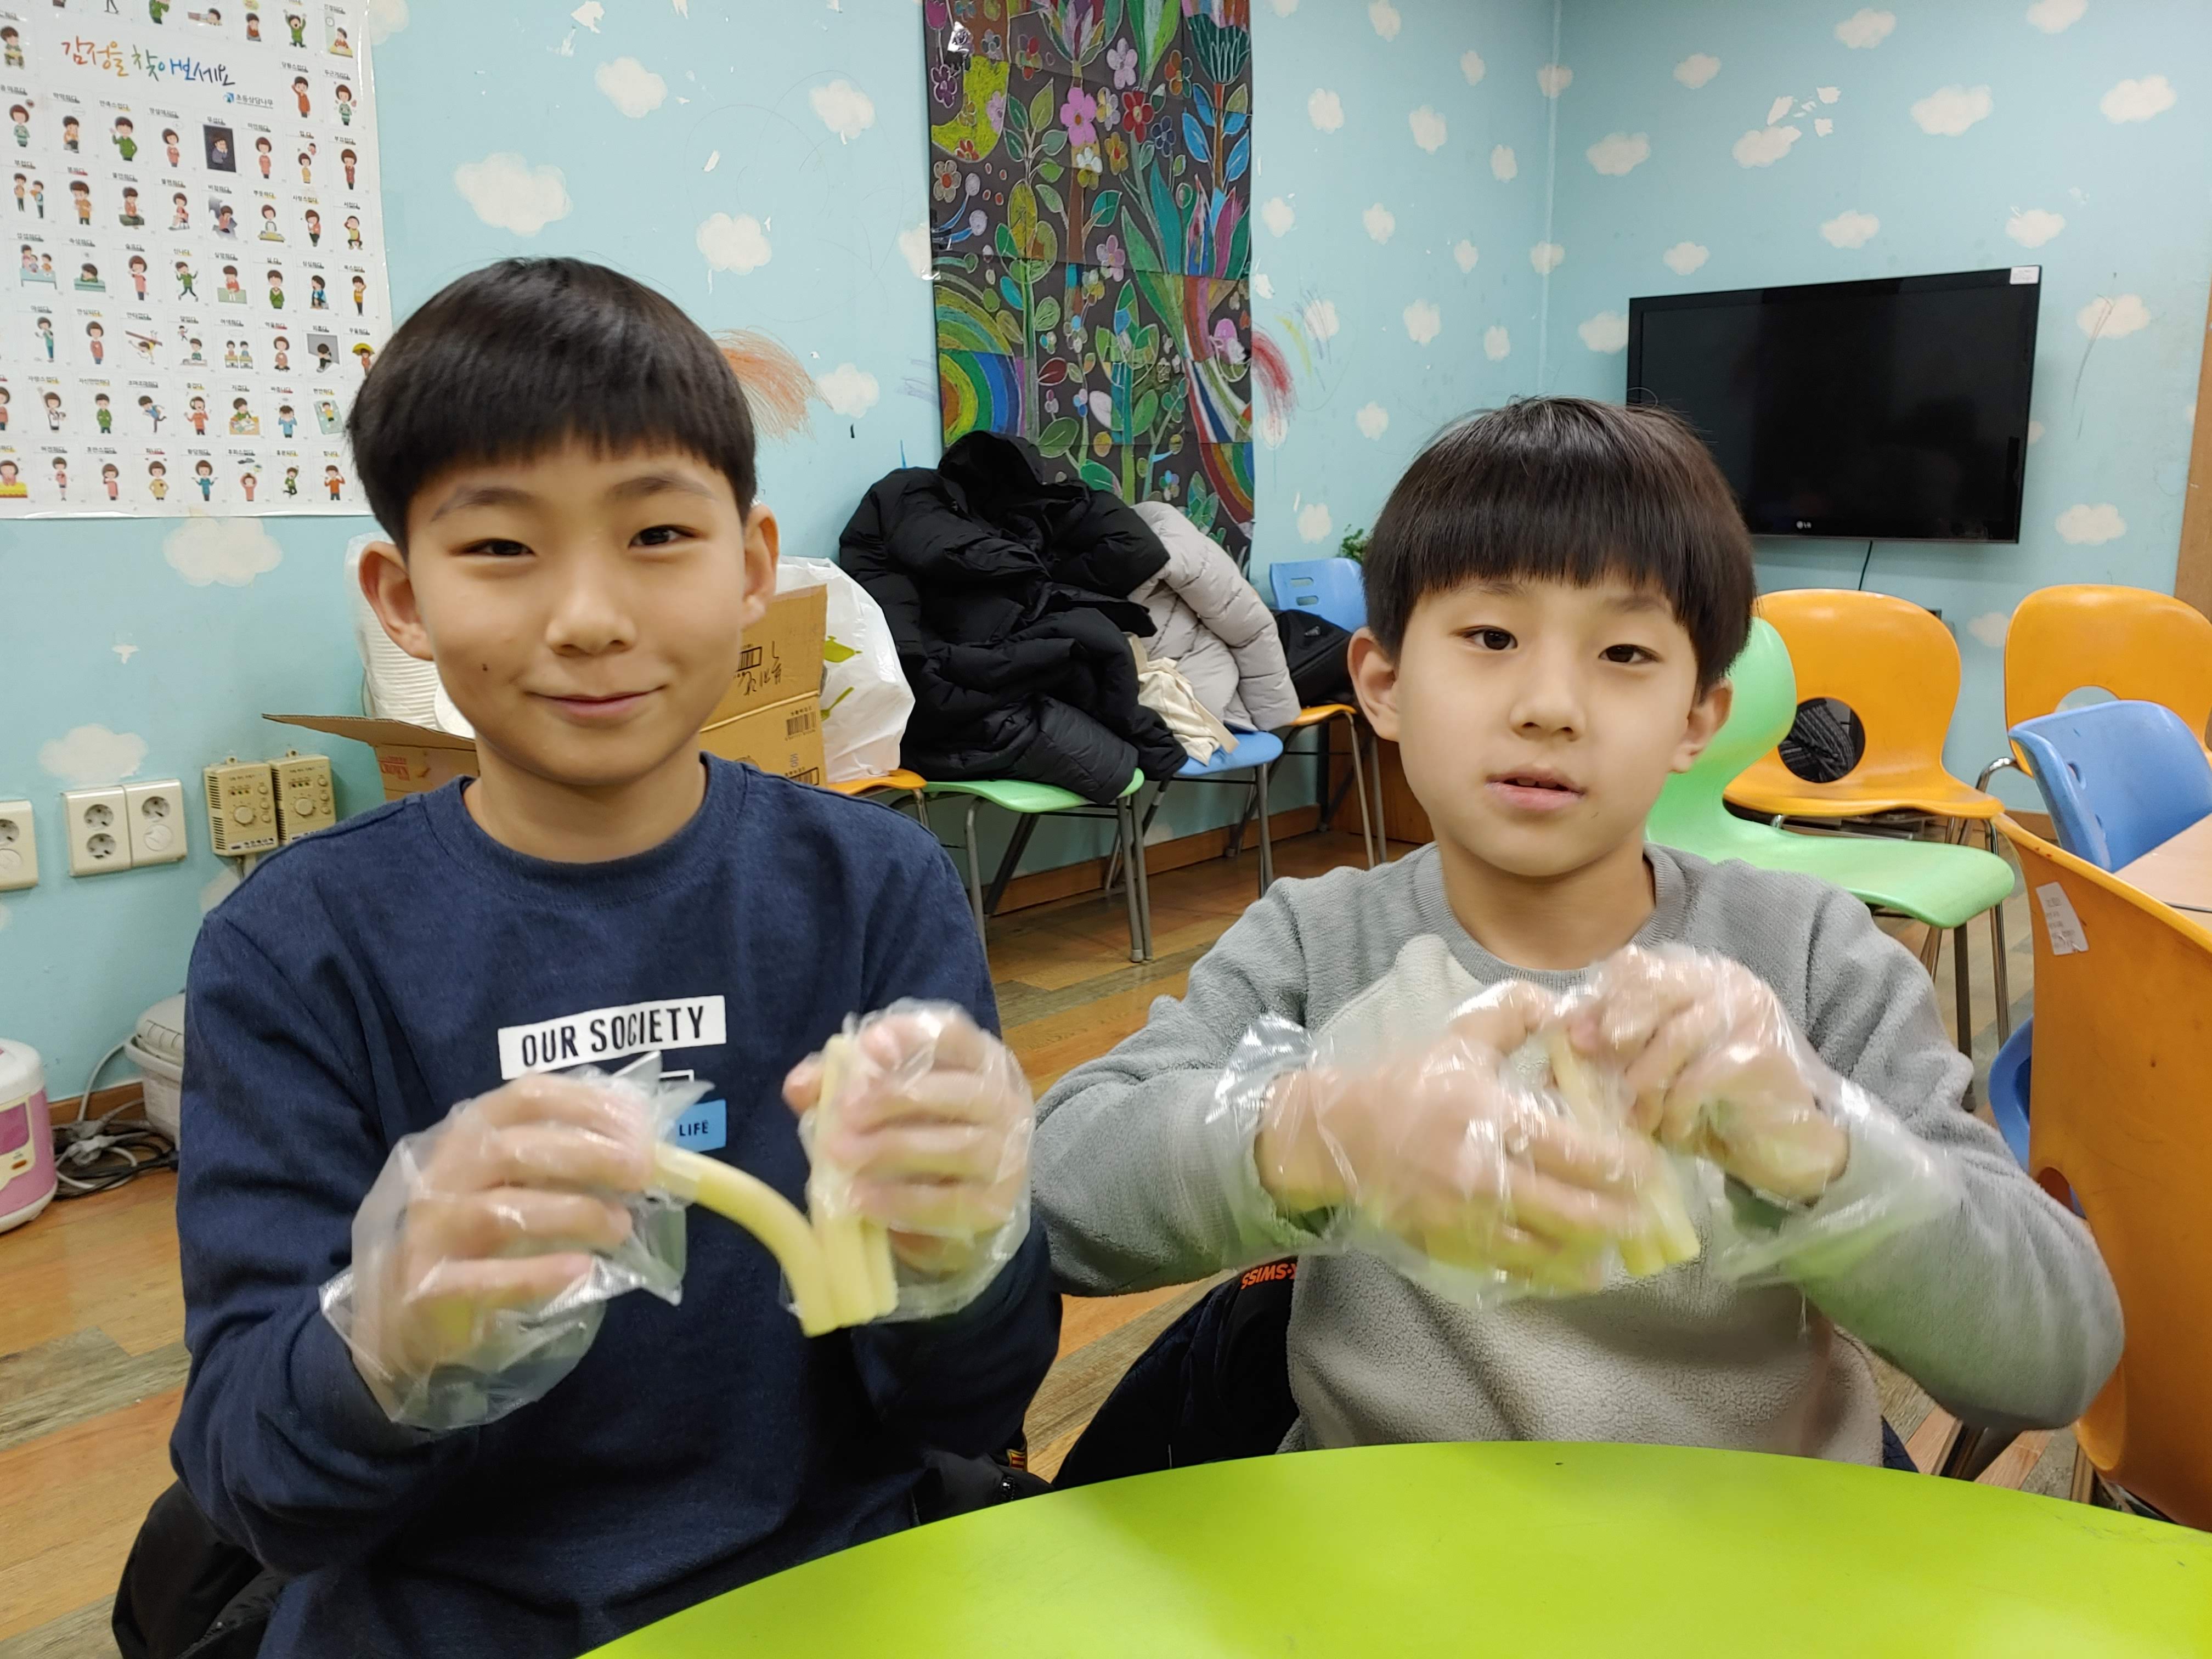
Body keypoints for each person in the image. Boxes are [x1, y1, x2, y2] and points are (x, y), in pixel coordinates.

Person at [170, 256, 1059, 1659]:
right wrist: (389, 1332)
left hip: (829, 1595)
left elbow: (972, 1403)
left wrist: (965, 1253)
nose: (588, 615)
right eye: (501, 548)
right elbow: (254, 1481)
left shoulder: (873, 890)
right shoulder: (294, 950)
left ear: (754, 569)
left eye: (656, 534)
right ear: (401, 596)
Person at [1031, 397, 2123, 1472]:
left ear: (1698, 717)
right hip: (1389, 1542)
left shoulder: (1810, 959)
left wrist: (1825, 1151)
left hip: (1748, 1548)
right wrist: (1313, 1131)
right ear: (1385, 685)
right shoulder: (1317, 947)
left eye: (1626, 653)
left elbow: (2053, 1357)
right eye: (1491, 636)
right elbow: (1057, 1193)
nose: (1551, 704)